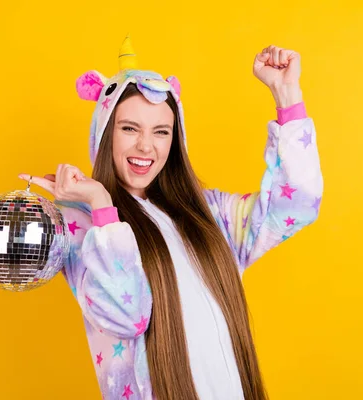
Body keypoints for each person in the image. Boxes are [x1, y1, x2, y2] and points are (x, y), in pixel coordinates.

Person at [18, 36, 323, 400]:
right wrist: (100, 202)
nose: (146, 146)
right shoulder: (84, 227)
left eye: (161, 131)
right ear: (104, 134)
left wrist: (286, 95)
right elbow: (127, 315)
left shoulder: (209, 215)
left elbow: (298, 204)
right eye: (130, 128)